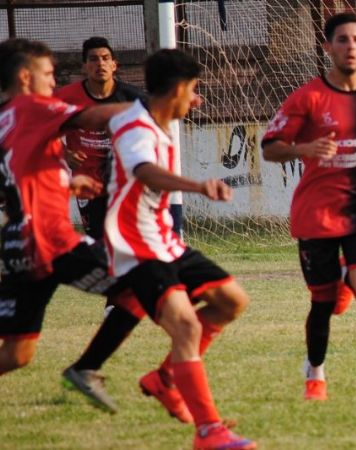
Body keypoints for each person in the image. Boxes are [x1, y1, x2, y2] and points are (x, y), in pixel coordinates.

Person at [106, 49, 255, 449]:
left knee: (231, 301)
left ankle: (165, 378)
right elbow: (144, 171)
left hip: (163, 238)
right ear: (175, 89)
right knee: (186, 326)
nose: (196, 99)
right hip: (134, 244)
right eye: (193, 90)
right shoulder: (136, 126)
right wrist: (197, 185)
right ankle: (209, 431)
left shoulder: (157, 120)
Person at [261, 12, 356, 401]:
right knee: (323, 303)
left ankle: (351, 273)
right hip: (316, 215)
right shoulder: (308, 97)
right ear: (328, 47)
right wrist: (303, 149)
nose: (349, 46)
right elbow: (269, 147)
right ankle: (315, 373)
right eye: (341, 40)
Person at [0, 39, 133, 387]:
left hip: (17, 242)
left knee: (17, 354)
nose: (53, 84)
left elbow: (17, 179)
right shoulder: (32, 105)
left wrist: (65, 186)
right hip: (48, 238)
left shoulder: (5, 118)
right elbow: (93, 115)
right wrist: (156, 106)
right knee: (144, 284)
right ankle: (87, 368)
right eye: (48, 74)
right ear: (26, 78)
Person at [55, 36, 150, 413]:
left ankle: (116, 304)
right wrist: (63, 150)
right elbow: (45, 126)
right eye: (92, 59)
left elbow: (155, 112)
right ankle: (116, 302)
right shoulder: (67, 97)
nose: (99, 64)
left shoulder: (129, 95)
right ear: (84, 67)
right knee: (101, 241)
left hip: (124, 182)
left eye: (105, 58)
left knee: (125, 238)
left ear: (114, 65)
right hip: (88, 183)